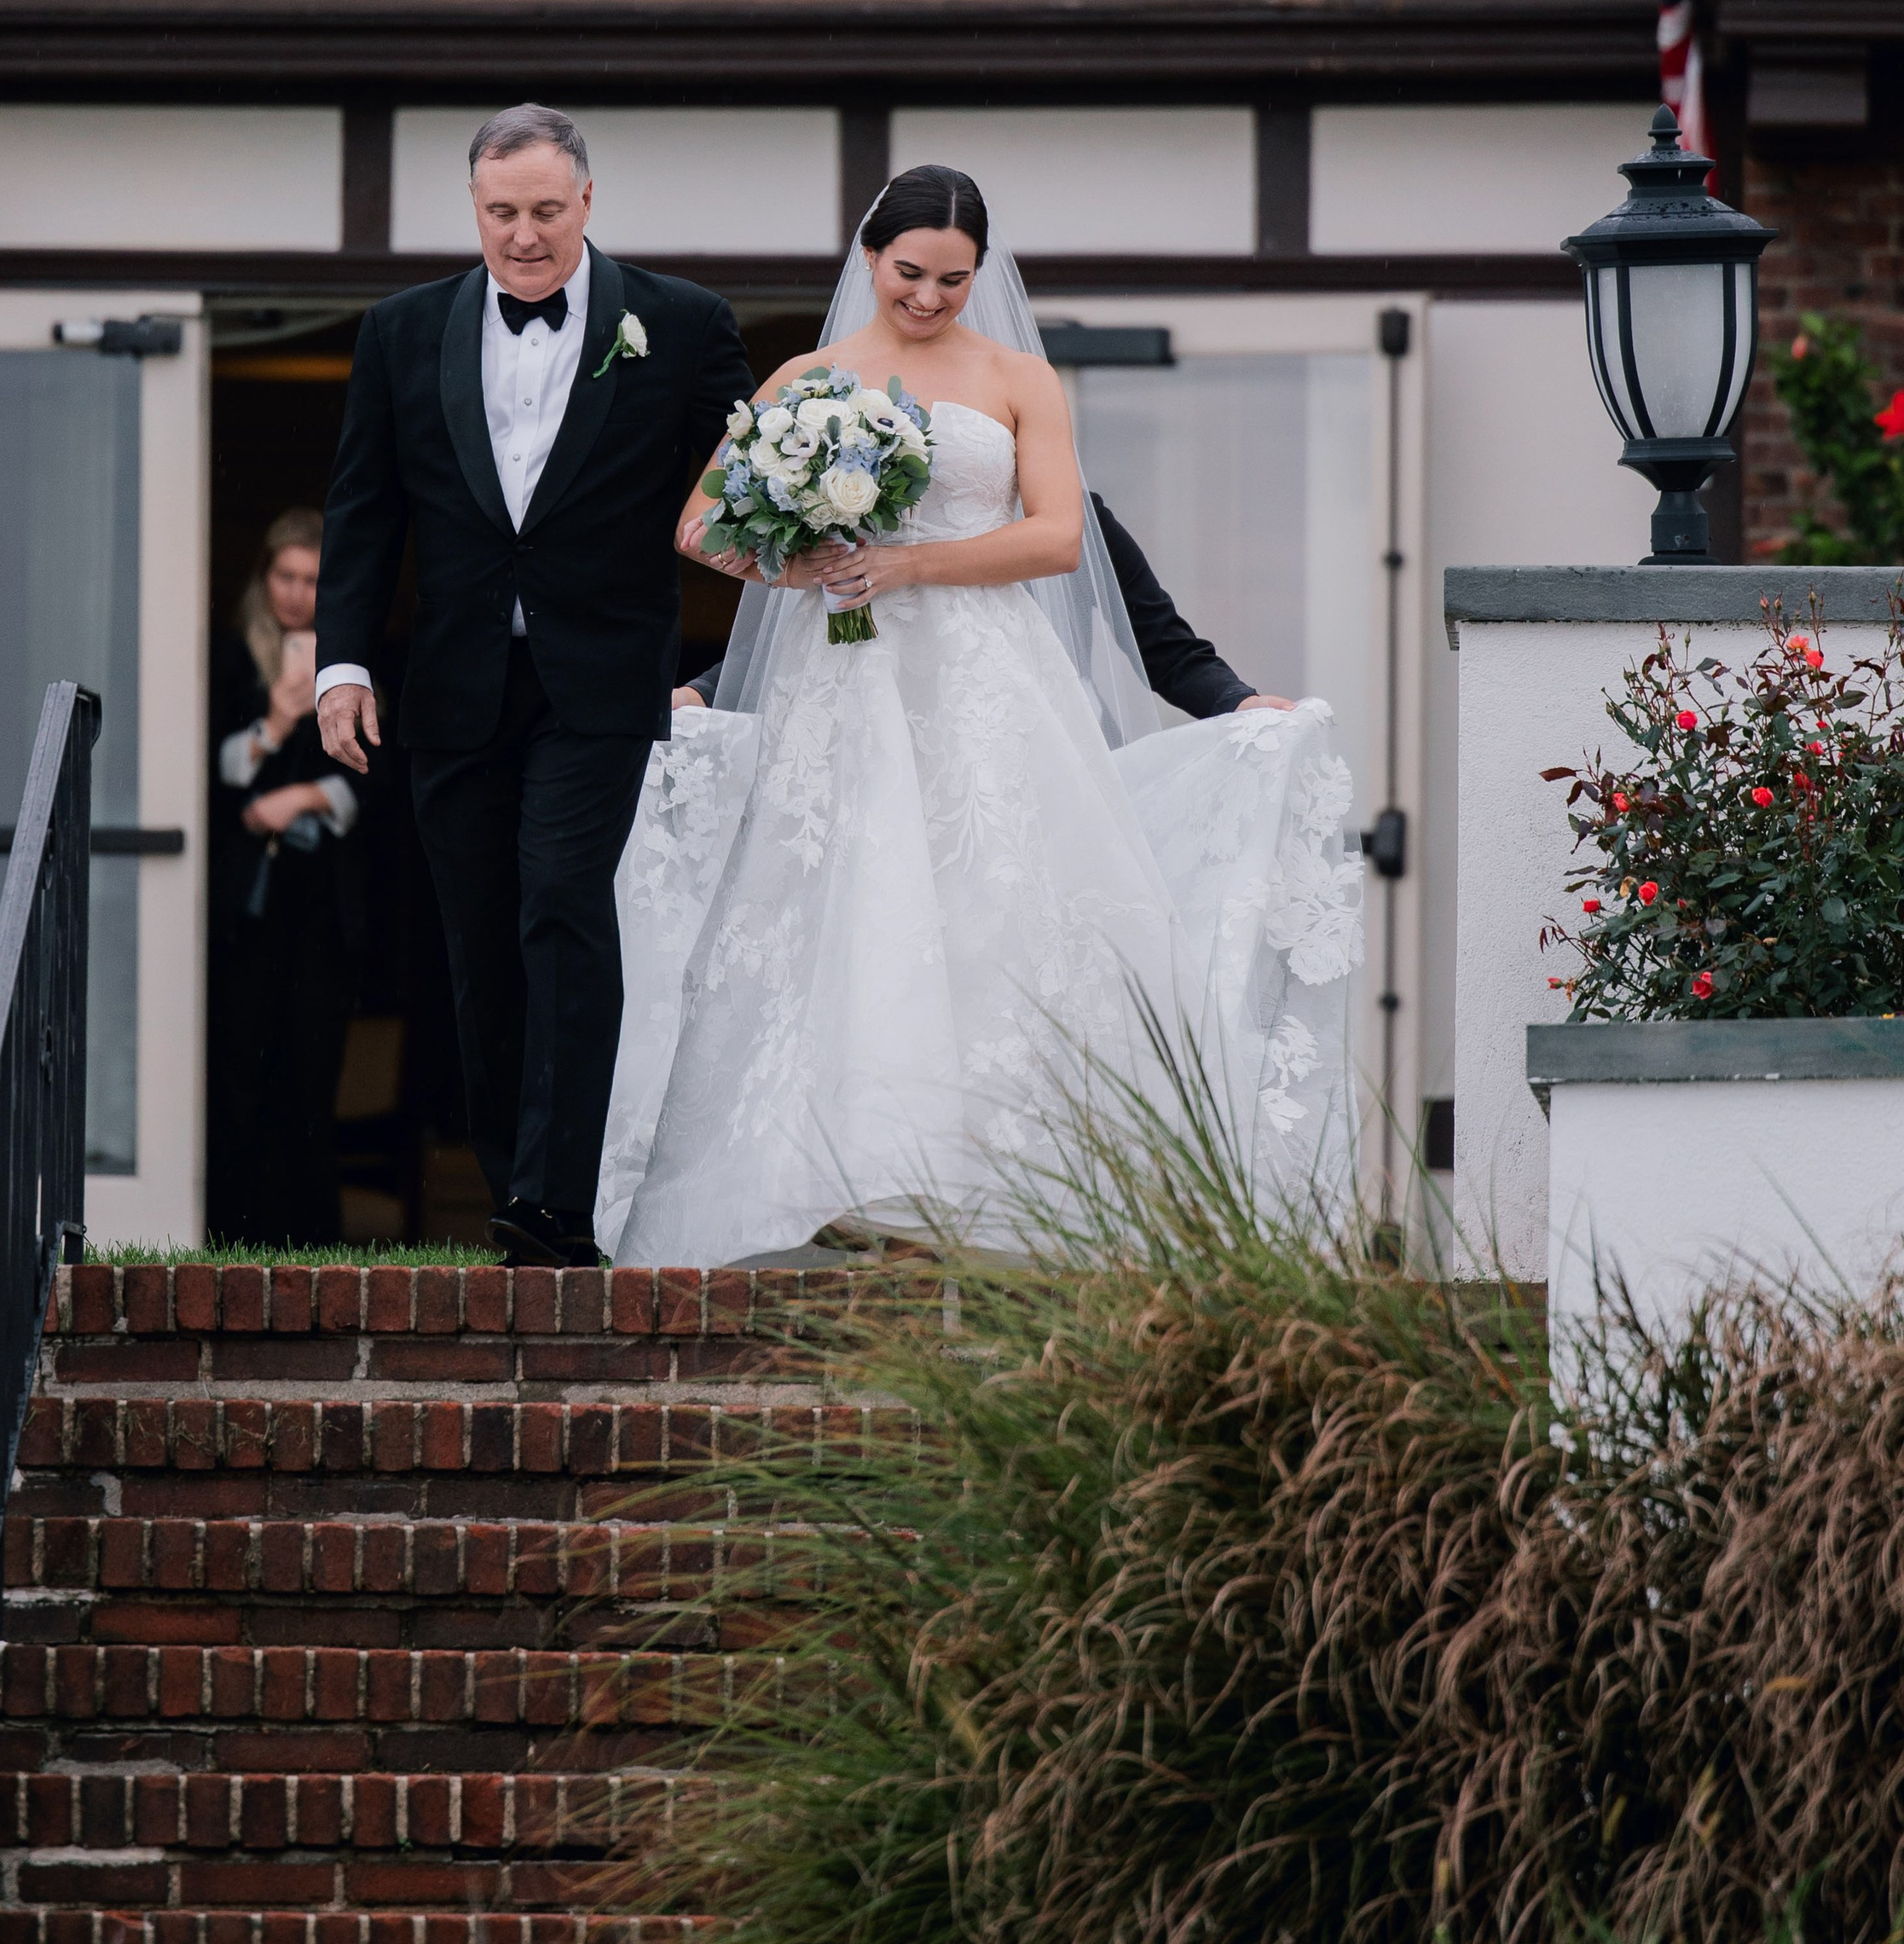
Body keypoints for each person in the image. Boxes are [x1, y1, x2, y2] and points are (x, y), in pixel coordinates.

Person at [599, 165, 1363, 1269]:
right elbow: (702, 525)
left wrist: (908, 564)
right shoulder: (811, 376)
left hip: (984, 679)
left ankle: (990, 1177)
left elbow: (1058, 536)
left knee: (995, 905)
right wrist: (797, 557)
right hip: (842, 681)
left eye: (954, 280)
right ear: (871, 257)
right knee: (849, 898)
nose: (929, 297)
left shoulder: (1017, 378)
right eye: (911, 273)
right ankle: (849, 1167)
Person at [312, 103, 755, 1271]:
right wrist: (343, 664)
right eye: (502, 212)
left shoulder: (683, 323)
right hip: (452, 688)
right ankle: (519, 1191)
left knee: (562, 901)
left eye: (546, 211)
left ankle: (561, 1200)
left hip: (600, 680)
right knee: (479, 942)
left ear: (589, 202)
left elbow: (750, 480)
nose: (524, 236)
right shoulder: (402, 332)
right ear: (475, 208)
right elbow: (364, 511)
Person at [674, 491, 1260, 719]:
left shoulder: (1076, 520)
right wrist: (702, 691)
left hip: (1042, 748)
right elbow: (808, 632)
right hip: (894, 747)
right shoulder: (879, 521)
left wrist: (1240, 702)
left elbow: (1166, 647)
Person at [207, 509, 362, 1247]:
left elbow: (372, 788)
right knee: (240, 1076)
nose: (298, 594)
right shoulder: (232, 658)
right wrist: (275, 718)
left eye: (313, 580)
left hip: (321, 908)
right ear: (264, 577)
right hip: (246, 907)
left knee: (310, 1080)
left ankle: (314, 1249)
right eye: (286, 576)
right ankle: (235, 1244)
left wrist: (297, 795)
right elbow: (217, 774)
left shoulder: (353, 666)